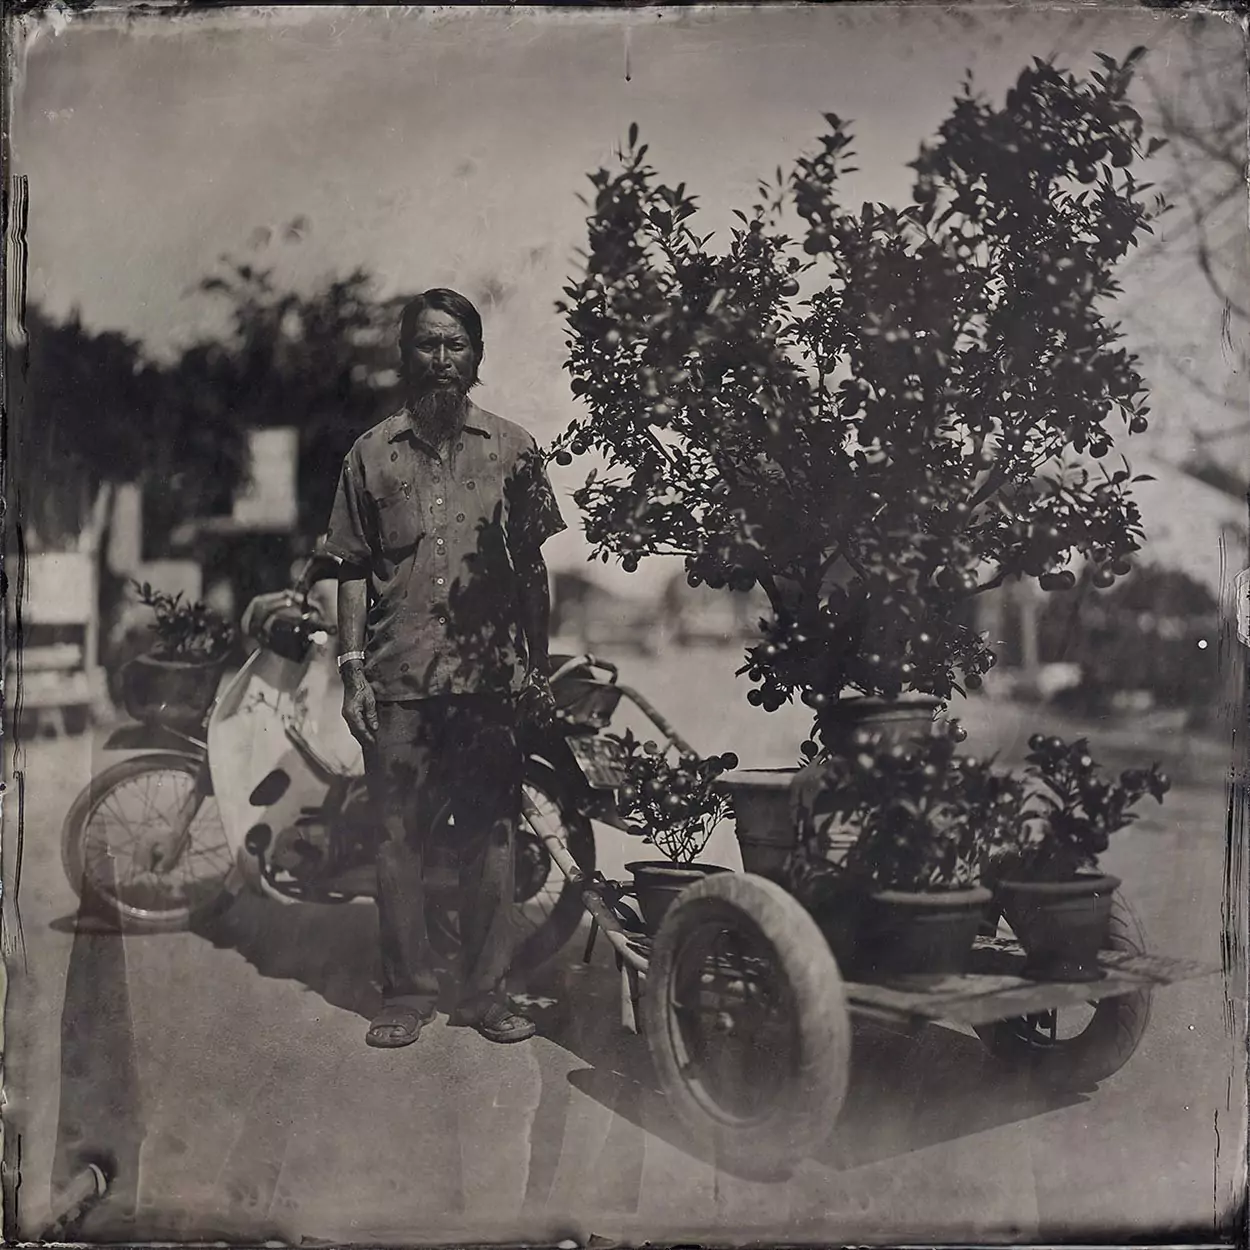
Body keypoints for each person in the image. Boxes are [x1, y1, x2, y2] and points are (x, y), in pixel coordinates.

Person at [323, 289, 566, 1049]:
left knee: (492, 835)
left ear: (478, 356)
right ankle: (404, 993)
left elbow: (532, 571)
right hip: (397, 683)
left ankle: (487, 992)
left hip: (488, 684)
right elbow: (353, 569)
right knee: (396, 838)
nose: (440, 359)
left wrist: (536, 664)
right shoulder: (369, 454)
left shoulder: (516, 450)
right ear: (406, 356)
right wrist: (352, 671)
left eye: (455, 345)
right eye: (426, 344)